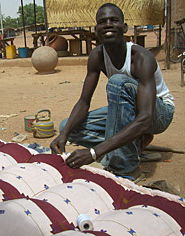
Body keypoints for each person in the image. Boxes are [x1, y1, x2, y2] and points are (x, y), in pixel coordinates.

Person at [50, 3, 175, 179]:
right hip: (131, 111)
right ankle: (133, 144)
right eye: (102, 22)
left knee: (118, 83)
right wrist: (63, 135)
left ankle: (128, 169)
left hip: (159, 113)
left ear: (124, 27)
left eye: (114, 20)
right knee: (67, 126)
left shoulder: (141, 57)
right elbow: (84, 102)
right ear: (96, 29)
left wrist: (94, 153)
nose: (108, 25)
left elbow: (146, 118)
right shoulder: (97, 56)